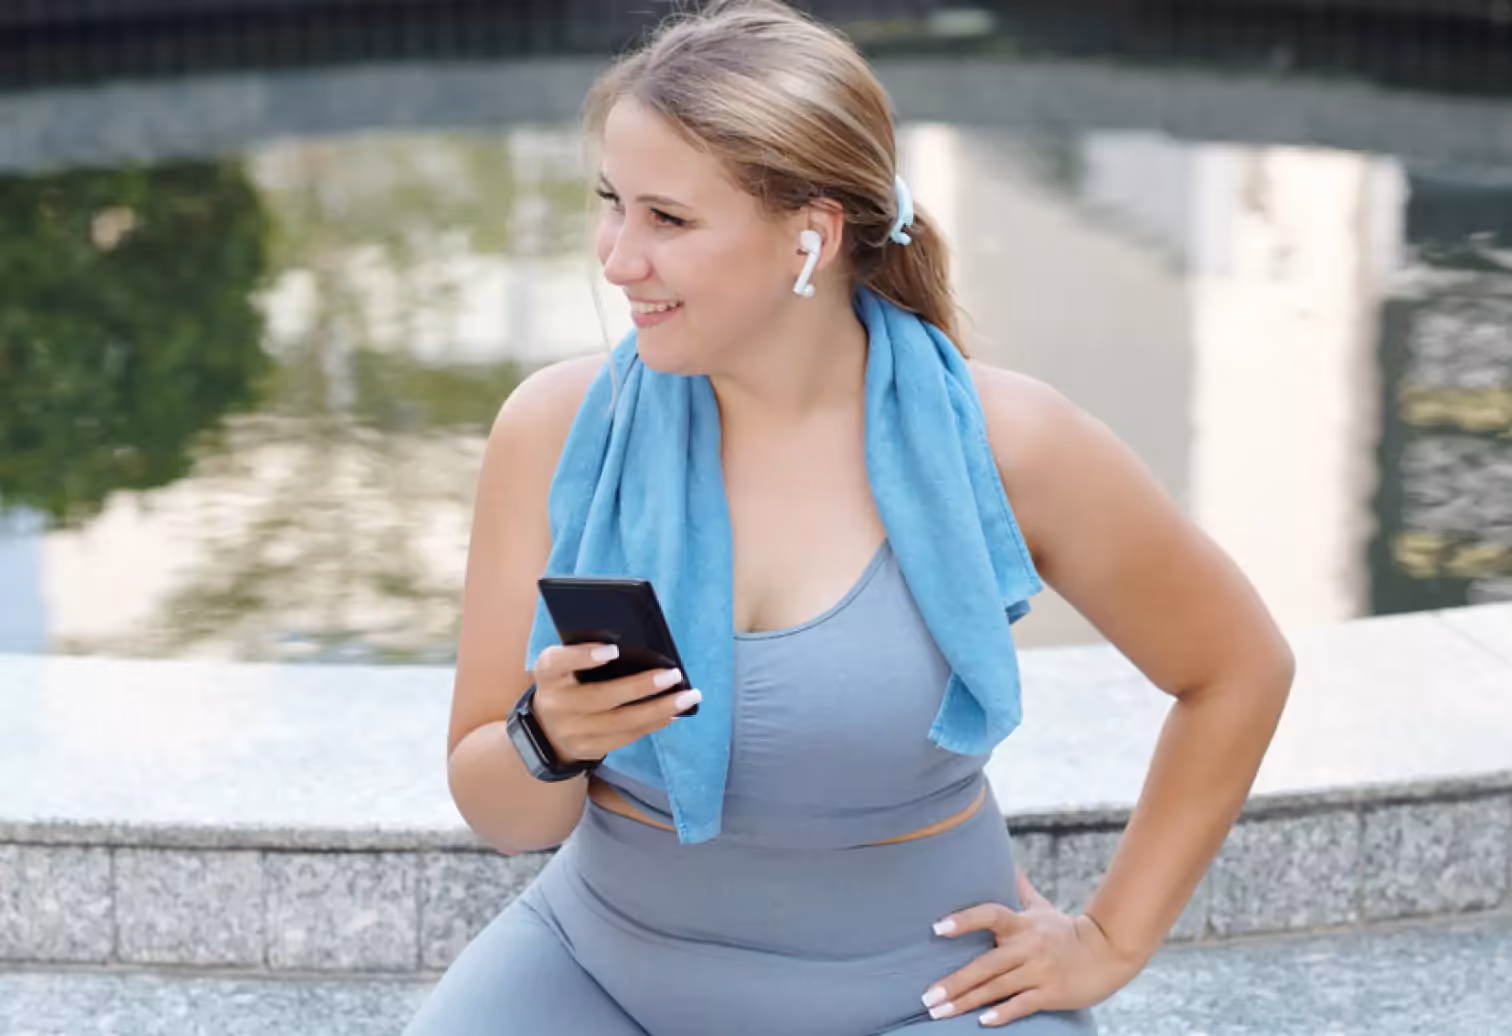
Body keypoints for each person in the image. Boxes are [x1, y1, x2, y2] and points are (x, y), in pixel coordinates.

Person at [404, 2, 1295, 1033]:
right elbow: (499, 809)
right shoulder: (557, 428)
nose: (617, 258)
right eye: (613, 202)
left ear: (810, 235)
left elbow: (1237, 667)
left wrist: (1111, 938)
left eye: (668, 219)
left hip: (918, 999)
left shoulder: (1011, 446)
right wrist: (547, 735)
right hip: (599, 973)